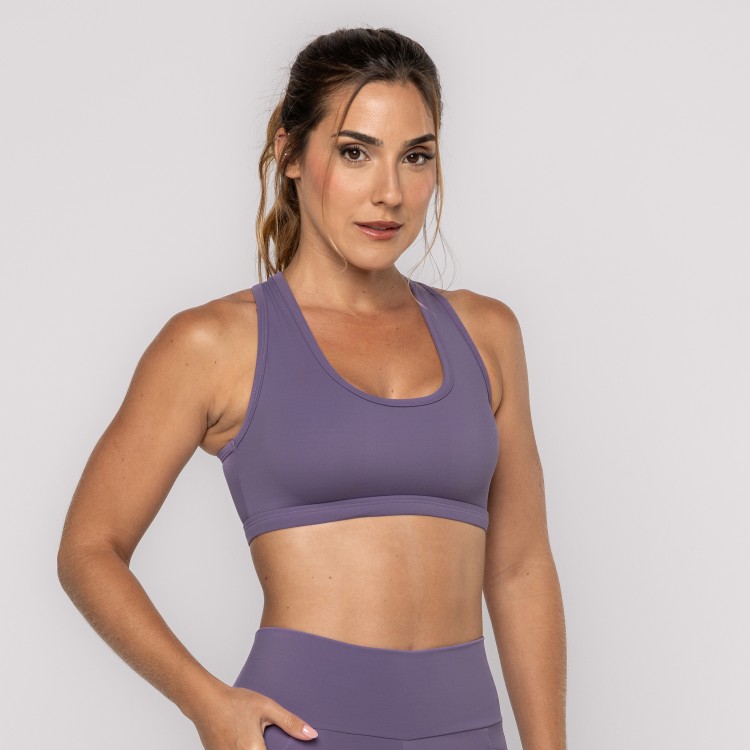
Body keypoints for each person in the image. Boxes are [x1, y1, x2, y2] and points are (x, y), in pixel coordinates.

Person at [57, 26, 566, 750]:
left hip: (469, 732)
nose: (389, 193)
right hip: (304, 732)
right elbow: (89, 548)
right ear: (291, 154)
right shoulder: (215, 343)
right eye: (355, 152)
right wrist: (206, 702)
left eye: (415, 156)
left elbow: (519, 569)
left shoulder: (485, 333)